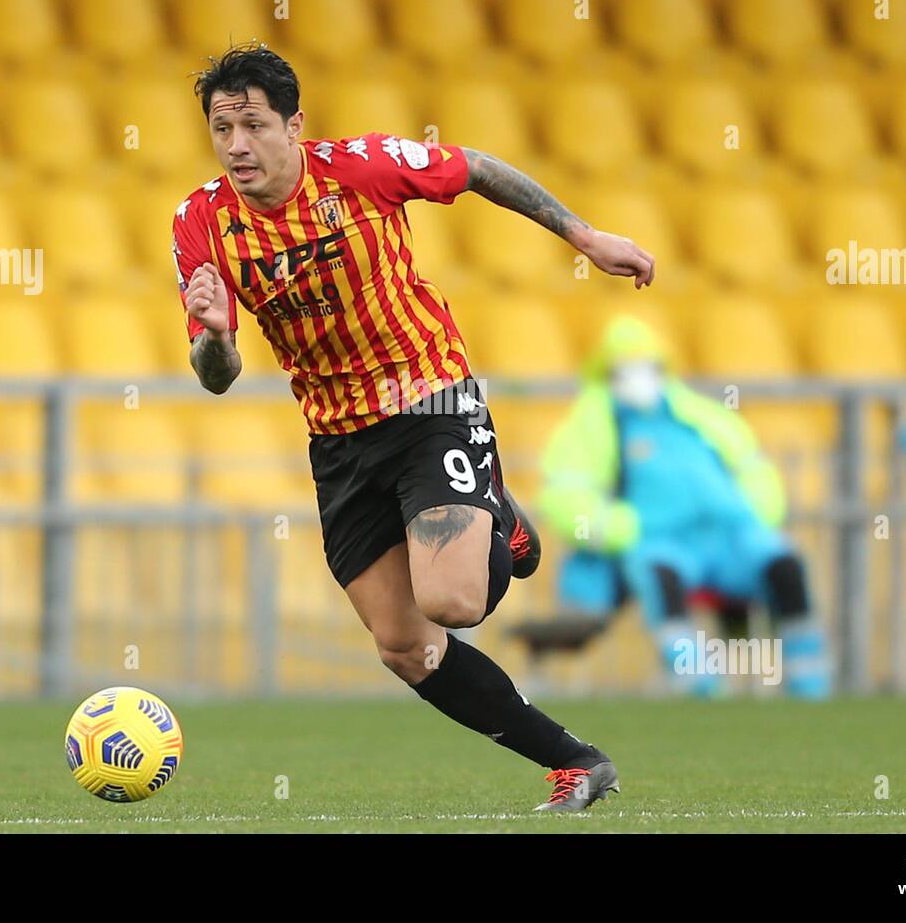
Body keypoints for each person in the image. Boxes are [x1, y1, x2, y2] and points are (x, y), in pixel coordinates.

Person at [172, 44, 656, 810]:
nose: (236, 145)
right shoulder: (200, 221)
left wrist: (585, 236)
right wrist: (217, 341)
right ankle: (577, 762)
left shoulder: (363, 167)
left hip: (430, 402)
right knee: (404, 647)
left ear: (294, 125)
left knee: (454, 604)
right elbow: (217, 378)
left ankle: (496, 514)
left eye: (254, 124)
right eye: (221, 127)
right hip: (338, 441)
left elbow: (479, 168)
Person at [534, 315, 832, 698]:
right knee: (660, 577)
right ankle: (700, 687)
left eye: (648, 366)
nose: (639, 377)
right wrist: (622, 528)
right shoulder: (592, 424)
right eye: (626, 368)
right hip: (660, 540)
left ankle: (811, 685)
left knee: (785, 566)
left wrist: (755, 515)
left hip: (734, 535)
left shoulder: (699, 414)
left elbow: (752, 466)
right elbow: (567, 491)